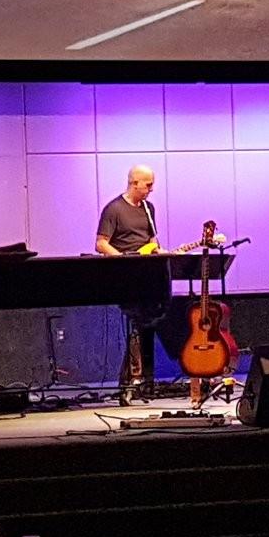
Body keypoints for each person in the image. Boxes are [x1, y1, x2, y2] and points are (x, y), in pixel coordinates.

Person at [96, 165, 165, 403]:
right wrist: (122, 260)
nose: (151, 189)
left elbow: (152, 240)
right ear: (134, 183)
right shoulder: (114, 209)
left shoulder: (148, 208)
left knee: (149, 324)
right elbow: (101, 243)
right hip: (127, 275)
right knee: (135, 326)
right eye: (148, 184)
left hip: (148, 273)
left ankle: (146, 381)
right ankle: (129, 380)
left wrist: (158, 251)